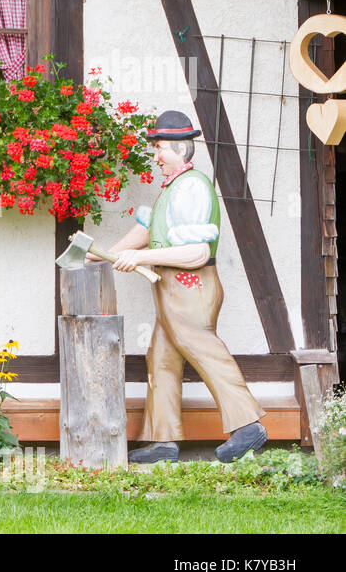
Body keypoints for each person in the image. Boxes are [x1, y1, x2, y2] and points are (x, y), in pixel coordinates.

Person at [98, 110, 267, 463]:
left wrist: (139, 259)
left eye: (160, 148)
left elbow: (197, 251)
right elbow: (148, 233)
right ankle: (163, 440)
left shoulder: (193, 187)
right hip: (169, 288)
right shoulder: (173, 187)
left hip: (191, 287)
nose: (156, 156)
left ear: (179, 149)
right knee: (160, 357)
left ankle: (248, 424)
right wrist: (103, 255)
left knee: (203, 348)